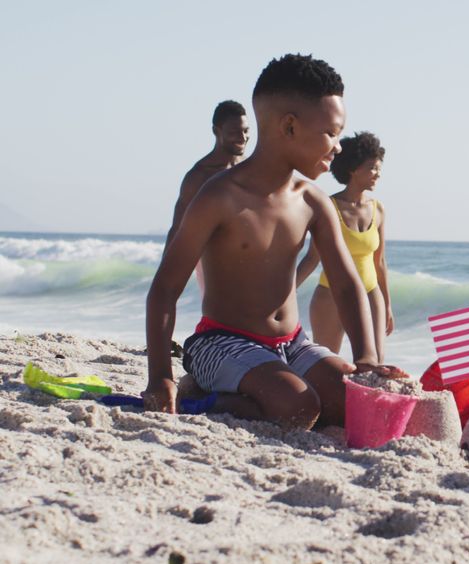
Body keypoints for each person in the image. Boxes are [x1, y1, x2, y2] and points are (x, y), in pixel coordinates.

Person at [143, 54, 403, 429]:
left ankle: (266, 386)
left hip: (292, 344)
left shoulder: (312, 200)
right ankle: (195, 392)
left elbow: (347, 285)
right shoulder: (220, 196)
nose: (338, 146)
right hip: (220, 343)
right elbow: (165, 288)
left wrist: (366, 358)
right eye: (331, 133)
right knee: (297, 407)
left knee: (347, 405)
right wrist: (159, 377)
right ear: (290, 127)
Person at [296, 132, 393, 362]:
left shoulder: (378, 210)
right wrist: (286, 293)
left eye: (379, 168)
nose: (377, 174)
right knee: (328, 365)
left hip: (371, 294)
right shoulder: (329, 207)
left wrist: (387, 305)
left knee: (375, 367)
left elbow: (379, 262)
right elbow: (312, 258)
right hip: (332, 295)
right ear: (353, 169)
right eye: (372, 168)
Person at [166, 100, 250, 291]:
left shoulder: (252, 170)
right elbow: (177, 229)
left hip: (250, 258)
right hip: (212, 263)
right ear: (216, 131)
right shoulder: (199, 176)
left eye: (246, 131)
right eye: (234, 132)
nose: (242, 137)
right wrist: (165, 283)